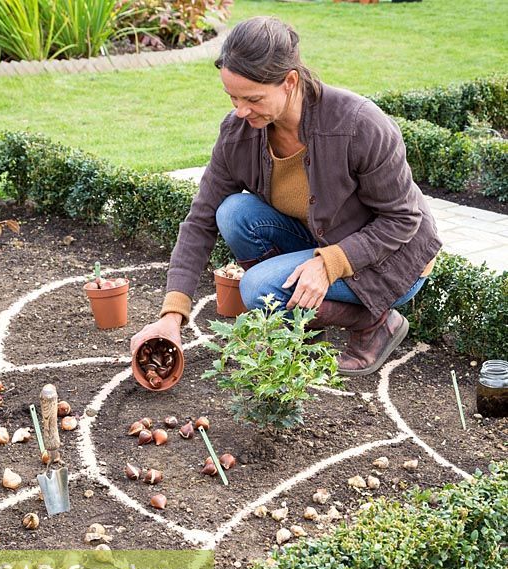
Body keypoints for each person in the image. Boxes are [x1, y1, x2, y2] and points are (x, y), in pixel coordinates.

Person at [131, 16, 441, 376]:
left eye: (253, 98)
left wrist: (329, 265)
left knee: (257, 288)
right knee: (233, 213)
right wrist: (172, 315)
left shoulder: (358, 126)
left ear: (290, 81)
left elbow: (402, 219)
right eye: (232, 97)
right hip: (322, 239)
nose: (240, 110)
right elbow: (200, 220)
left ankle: (375, 323)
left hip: (392, 259)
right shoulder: (239, 133)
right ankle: (301, 321)